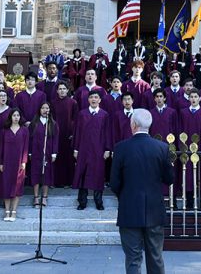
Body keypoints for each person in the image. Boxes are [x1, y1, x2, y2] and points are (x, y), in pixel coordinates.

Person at [110, 108, 175, 274]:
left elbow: (114, 183)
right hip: (154, 209)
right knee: (155, 257)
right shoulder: (162, 148)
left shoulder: (121, 148)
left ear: (133, 124)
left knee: (133, 259)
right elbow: (170, 179)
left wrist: (124, 196)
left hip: (129, 209)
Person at [73, 90, 111, 210]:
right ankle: (82, 201)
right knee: (82, 173)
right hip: (84, 148)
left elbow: (107, 133)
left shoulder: (104, 115)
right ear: (88, 100)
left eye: (96, 97)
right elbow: (77, 132)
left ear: (100, 100)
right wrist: (76, 148)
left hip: (98, 149)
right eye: (91, 97)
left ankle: (98, 200)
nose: (94, 99)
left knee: (98, 174)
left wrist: (107, 149)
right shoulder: (82, 114)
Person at [0, 108, 30, 221]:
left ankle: (14, 211)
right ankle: (7, 212)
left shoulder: (24, 130)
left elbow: (26, 147)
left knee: (17, 186)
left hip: (19, 162)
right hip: (6, 162)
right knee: (6, 185)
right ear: (10, 117)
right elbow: (0, 148)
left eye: (18, 115)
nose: (16, 117)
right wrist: (1, 162)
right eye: (14, 115)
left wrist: (24, 161)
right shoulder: (4, 131)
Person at [29, 101, 59, 207]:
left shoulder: (52, 124)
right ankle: (36, 196)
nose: (45, 110)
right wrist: (29, 152)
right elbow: (30, 139)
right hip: (36, 152)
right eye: (43, 108)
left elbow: (55, 139)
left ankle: (45, 197)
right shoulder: (34, 123)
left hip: (48, 152)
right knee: (36, 173)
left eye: (47, 108)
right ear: (39, 110)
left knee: (47, 174)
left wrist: (54, 153)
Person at [51, 81, 78, 187]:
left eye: (64, 89)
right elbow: (51, 118)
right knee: (56, 157)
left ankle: (68, 182)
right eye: (60, 89)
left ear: (67, 90)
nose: (62, 91)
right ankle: (56, 182)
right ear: (57, 91)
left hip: (68, 135)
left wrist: (73, 132)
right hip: (56, 134)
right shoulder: (52, 103)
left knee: (68, 158)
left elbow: (75, 119)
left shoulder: (73, 103)